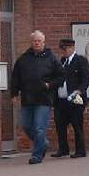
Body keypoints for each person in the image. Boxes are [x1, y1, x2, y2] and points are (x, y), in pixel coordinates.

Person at [10, 30, 63, 164]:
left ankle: (37, 155)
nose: (37, 43)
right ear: (31, 42)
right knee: (26, 125)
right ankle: (43, 143)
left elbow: (61, 76)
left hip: (44, 99)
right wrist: (14, 93)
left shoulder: (51, 58)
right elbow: (15, 77)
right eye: (35, 41)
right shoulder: (23, 59)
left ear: (44, 42)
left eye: (39, 41)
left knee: (39, 128)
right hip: (27, 98)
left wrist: (49, 85)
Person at [52, 37, 89, 158]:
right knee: (60, 125)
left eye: (66, 49)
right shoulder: (61, 62)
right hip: (61, 100)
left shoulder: (80, 61)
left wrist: (79, 91)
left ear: (72, 48)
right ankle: (63, 149)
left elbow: (86, 79)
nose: (64, 51)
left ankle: (80, 150)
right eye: (62, 49)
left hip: (75, 99)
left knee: (77, 125)